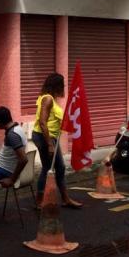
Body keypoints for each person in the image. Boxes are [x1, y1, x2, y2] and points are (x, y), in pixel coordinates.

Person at [32, 73, 83, 209]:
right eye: (62, 85)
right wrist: (50, 144)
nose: (64, 87)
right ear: (56, 86)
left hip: (50, 137)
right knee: (47, 168)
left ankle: (65, 199)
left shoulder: (49, 98)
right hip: (44, 137)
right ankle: (39, 201)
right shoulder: (48, 99)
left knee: (60, 167)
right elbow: (42, 122)